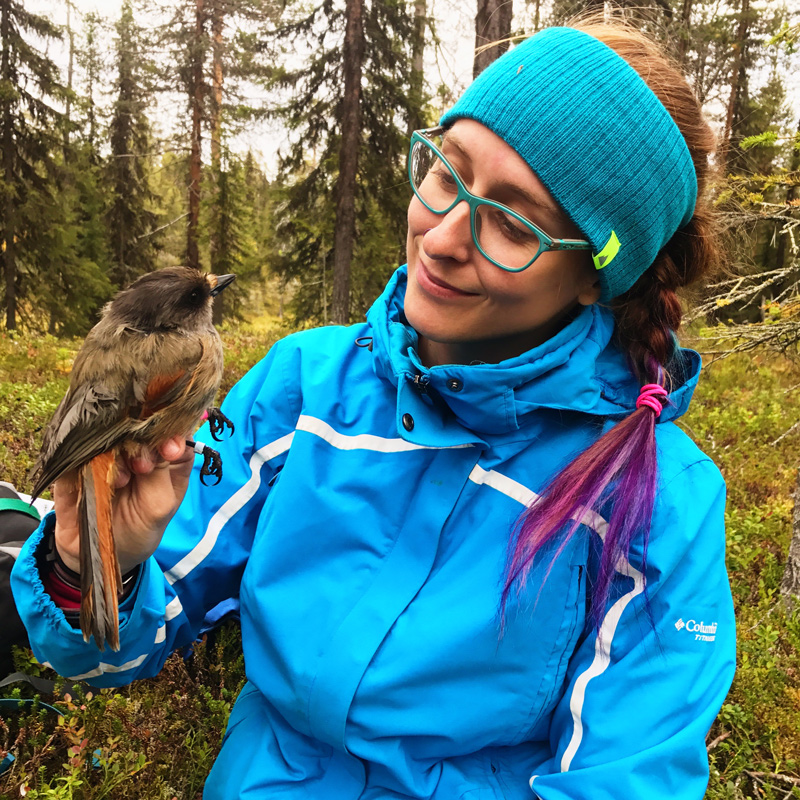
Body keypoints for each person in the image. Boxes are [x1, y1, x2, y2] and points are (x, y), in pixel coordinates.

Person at [12, 18, 735, 800]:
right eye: (446, 172)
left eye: (512, 222)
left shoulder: (653, 499)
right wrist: (96, 560)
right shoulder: (301, 389)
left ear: (596, 278)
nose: (443, 235)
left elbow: (626, 778)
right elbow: (121, 649)